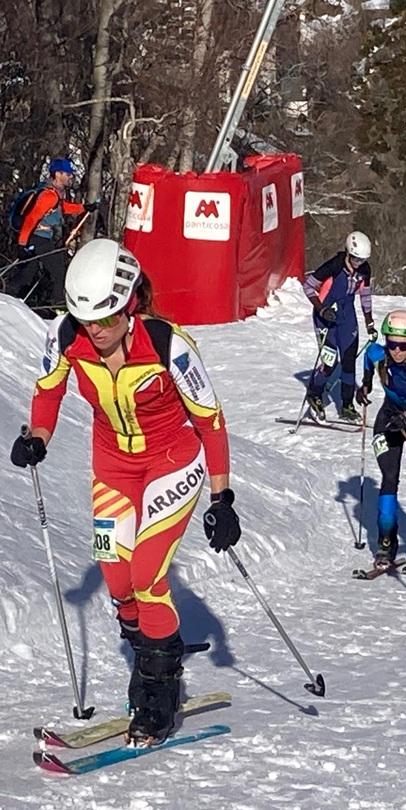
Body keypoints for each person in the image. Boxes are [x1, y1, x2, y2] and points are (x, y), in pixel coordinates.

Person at [10, 239, 240, 745]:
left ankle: (159, 693)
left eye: (107, 319)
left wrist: (222, 500)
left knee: (147, 576)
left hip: (172, 463)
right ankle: (150, 662)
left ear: (130, 302)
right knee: (117, 581)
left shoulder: (167, 345)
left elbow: (211, 420)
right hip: (112, 468)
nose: (97, 331)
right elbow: (48, 390)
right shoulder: (66, 336)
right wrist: (38, 439)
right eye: (87, 321)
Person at [356, 310, 406, 571]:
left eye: (403, 346)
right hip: (389, 418)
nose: (396, 351)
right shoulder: (378, 354)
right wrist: (365, 384)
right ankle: (386, 543)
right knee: (389, 478)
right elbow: (368, 358)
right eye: (391, 344)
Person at [303, 231, 378, 422]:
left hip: (347, 316)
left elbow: (365, 295)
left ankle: (347, 404)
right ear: (348, 253)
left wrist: (369, 321)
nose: (358, 263)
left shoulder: (364, 270)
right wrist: (321, 309)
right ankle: (314, 394)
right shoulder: (334, 266)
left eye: (362, 260)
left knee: (348, 360)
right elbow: (308, 286)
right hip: (326, 316)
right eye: (355, 259)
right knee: (329, 360)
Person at [8, 157, 97, 308]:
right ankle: (59, 306)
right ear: (58, 174)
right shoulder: (49, 196)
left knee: (27, 273)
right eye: (68, 174)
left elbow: (63, 208)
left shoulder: (55, 194)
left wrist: (84, 208)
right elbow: (31, 219)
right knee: (59, 271)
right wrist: (22, 244)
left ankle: (7, 297)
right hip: (38, 239)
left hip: (35, 239)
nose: (70, 177)